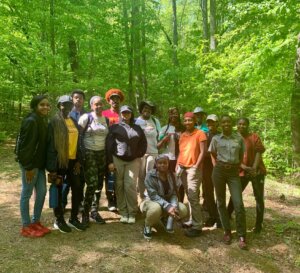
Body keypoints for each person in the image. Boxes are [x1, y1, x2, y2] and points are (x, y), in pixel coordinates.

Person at [47, 95, 85, 233]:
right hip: (60, 162)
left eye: (69, 104)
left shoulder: (73, 120)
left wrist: (79, 160)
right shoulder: (54, 122)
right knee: (57, 190)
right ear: (59, 106)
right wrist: (52, 168)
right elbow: (50, 146)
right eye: (64, 104)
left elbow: (78, 142)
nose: (67, 107)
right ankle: (59, 219)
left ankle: (74, 218)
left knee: (77, 188)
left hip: (73, 161)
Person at [209, 114, 247, 250]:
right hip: (219, 171)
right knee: (220, 201)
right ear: (220, 124)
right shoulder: (215, 138)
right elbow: (212, 153)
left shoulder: (239, 138)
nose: (226, 124)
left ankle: (242, 235)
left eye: (228, 122)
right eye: (223, 122)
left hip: (233, 173)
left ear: (232, 124)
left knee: (238, 203)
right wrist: (218, 165)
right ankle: (227, 231)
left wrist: (235, 166)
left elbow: (242, 154)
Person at [17, 95, 51, 237]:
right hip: (30, 164)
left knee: (42, 192)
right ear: (35, 106)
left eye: (47, 105)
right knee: (27, 193)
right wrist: (28, 166)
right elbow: (25, 147)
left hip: (39, 165)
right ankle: (26, 226)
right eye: (42, 104)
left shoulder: (42, 120)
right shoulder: (31, 121)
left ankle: (35, 221)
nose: (45, 107)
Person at [106, 105, 147, 224]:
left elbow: (143, 143)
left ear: (131, 114)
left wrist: (139, 154)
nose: (125, 115)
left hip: (133, 160)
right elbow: (109, 146)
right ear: (120, 114)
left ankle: (132, 212)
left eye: (128, 113)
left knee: (130, 186)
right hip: (117, 159)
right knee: (119, 185)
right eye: (123, 113)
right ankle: (123, 212)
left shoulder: (138, 128)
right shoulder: (114, 127)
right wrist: (110, 162)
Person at [227, 117, 266, 233]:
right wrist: (244, 167)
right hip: (241, 171)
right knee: (235, 195)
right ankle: (227, 215)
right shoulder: (233, 138)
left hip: (257, 172)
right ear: (236, 125)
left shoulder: (254, 136)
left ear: (248, 125)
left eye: (244, 124)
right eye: (239, 124)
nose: (241, 126)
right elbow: (232, 156)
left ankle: (259, 225)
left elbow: (259, 151)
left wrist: (254, 167)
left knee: (259, 198)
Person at [140, 155, 188, 240]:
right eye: (160, 163)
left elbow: (174, 193)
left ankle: (165, 218)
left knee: (183, 209)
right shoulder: (150, 175)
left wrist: (174, 206)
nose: (162, 165)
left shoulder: (173, 175)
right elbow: (153, 195)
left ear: (168, 164)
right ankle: (147, 225)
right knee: (156, 209)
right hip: (150, 201)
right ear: (156, 164)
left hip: (167, 201)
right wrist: (168, 206)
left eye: (165, 163)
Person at [78, 96, 108, 226]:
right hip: (89, 152)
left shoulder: (105, 119)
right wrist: (80, 155)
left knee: (99, 184)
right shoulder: (86, 118)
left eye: (101, 104)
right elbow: (78, 136)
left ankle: (94, 211)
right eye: (96, 104)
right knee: (92, 183)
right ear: (91, 106)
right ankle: (85, 212)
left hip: (102, 153)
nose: (99, 106)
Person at [177, 112, 207, 237]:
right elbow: (181, 152)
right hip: (182, 168)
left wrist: (196, 166)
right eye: (185, 120)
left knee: (193, 196)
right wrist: (177, 165)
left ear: (194, 121)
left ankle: (197, 226)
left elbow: (203, 152)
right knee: (189, 196)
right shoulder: (183, 135)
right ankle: (191, 220)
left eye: (190, 120)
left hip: (193, 168)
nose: (188, 122)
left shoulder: (200, 133)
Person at [62, 89, 86, 211]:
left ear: (83, 100)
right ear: (72, 99)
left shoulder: (87, 114)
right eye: (76, 97)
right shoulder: (66, 113)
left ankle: (79, 202)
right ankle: (63, 203)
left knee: (80, 179)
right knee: (66, 180)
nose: (78, 99)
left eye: (81, 98)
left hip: (81, 150)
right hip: (67, 151)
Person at [102, 88, 125, 211]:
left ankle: (119, 199)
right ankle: (111, 200)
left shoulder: (124, 114)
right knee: (109, 174)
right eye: (112, 98)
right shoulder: (104, 114)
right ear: (109, 101)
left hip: (121, 149)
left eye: (117, 98)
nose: (115, 101)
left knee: (120, 176)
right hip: (108, 147)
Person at [135, 101, 161, 199]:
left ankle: (151, 196)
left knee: (150, 174)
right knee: (141, 176)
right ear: (141, 109)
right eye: (145, 108)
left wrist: (160, 145)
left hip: (153, 151)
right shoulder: (136, 121)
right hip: (140, 153)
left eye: (150, 109)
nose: (147, 110)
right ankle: (142, 197)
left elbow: (160, 135)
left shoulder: (155, 121)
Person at [202, 114, 221, 228]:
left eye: (212, 122)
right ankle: (212, 215)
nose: (210, 124)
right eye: (208, 122)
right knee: (208, 192)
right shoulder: (204, 135)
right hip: (207, 166)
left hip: (219, 166)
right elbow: (202, 151)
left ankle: (220, 216)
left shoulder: (221, 135)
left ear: (217, 123)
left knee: (219, 192)